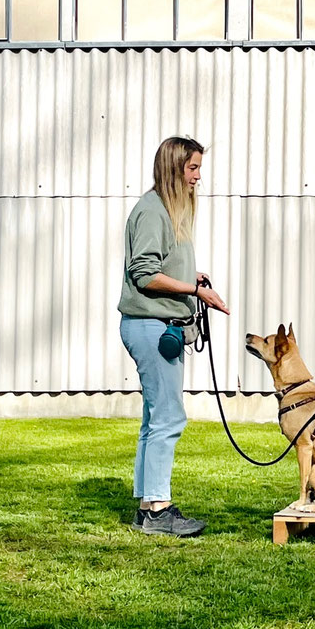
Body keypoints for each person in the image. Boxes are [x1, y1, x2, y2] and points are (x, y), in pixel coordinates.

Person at [118, 136, 229, 536]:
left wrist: (189, 276)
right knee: (168, 417)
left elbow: (161, 265)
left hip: (160, 325)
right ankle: (158, 510)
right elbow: (144, 274)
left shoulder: (168, 209)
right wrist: (195, 290)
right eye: (193, 168)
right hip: (151, 326)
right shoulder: (153, 211)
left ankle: (148, 504)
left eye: (199, 167)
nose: (199, 176)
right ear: (174, 168)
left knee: (155, 418)